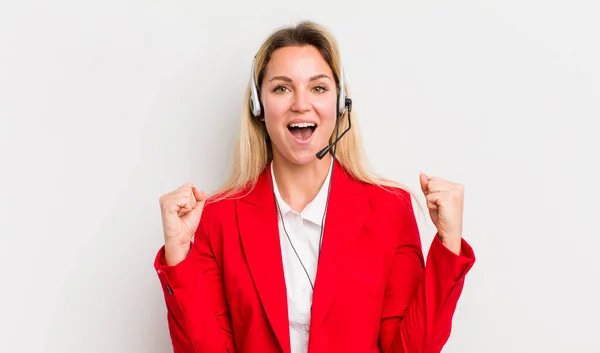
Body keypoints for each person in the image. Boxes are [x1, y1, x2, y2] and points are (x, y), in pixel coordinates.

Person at [154, 20, 475, 353]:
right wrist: (179, 253)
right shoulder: (217, 217)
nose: (301, 104)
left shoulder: (390, 209)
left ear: (339, 104)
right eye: (282, 88)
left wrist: (448, 244)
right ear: (258, 107)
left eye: (318, 88)